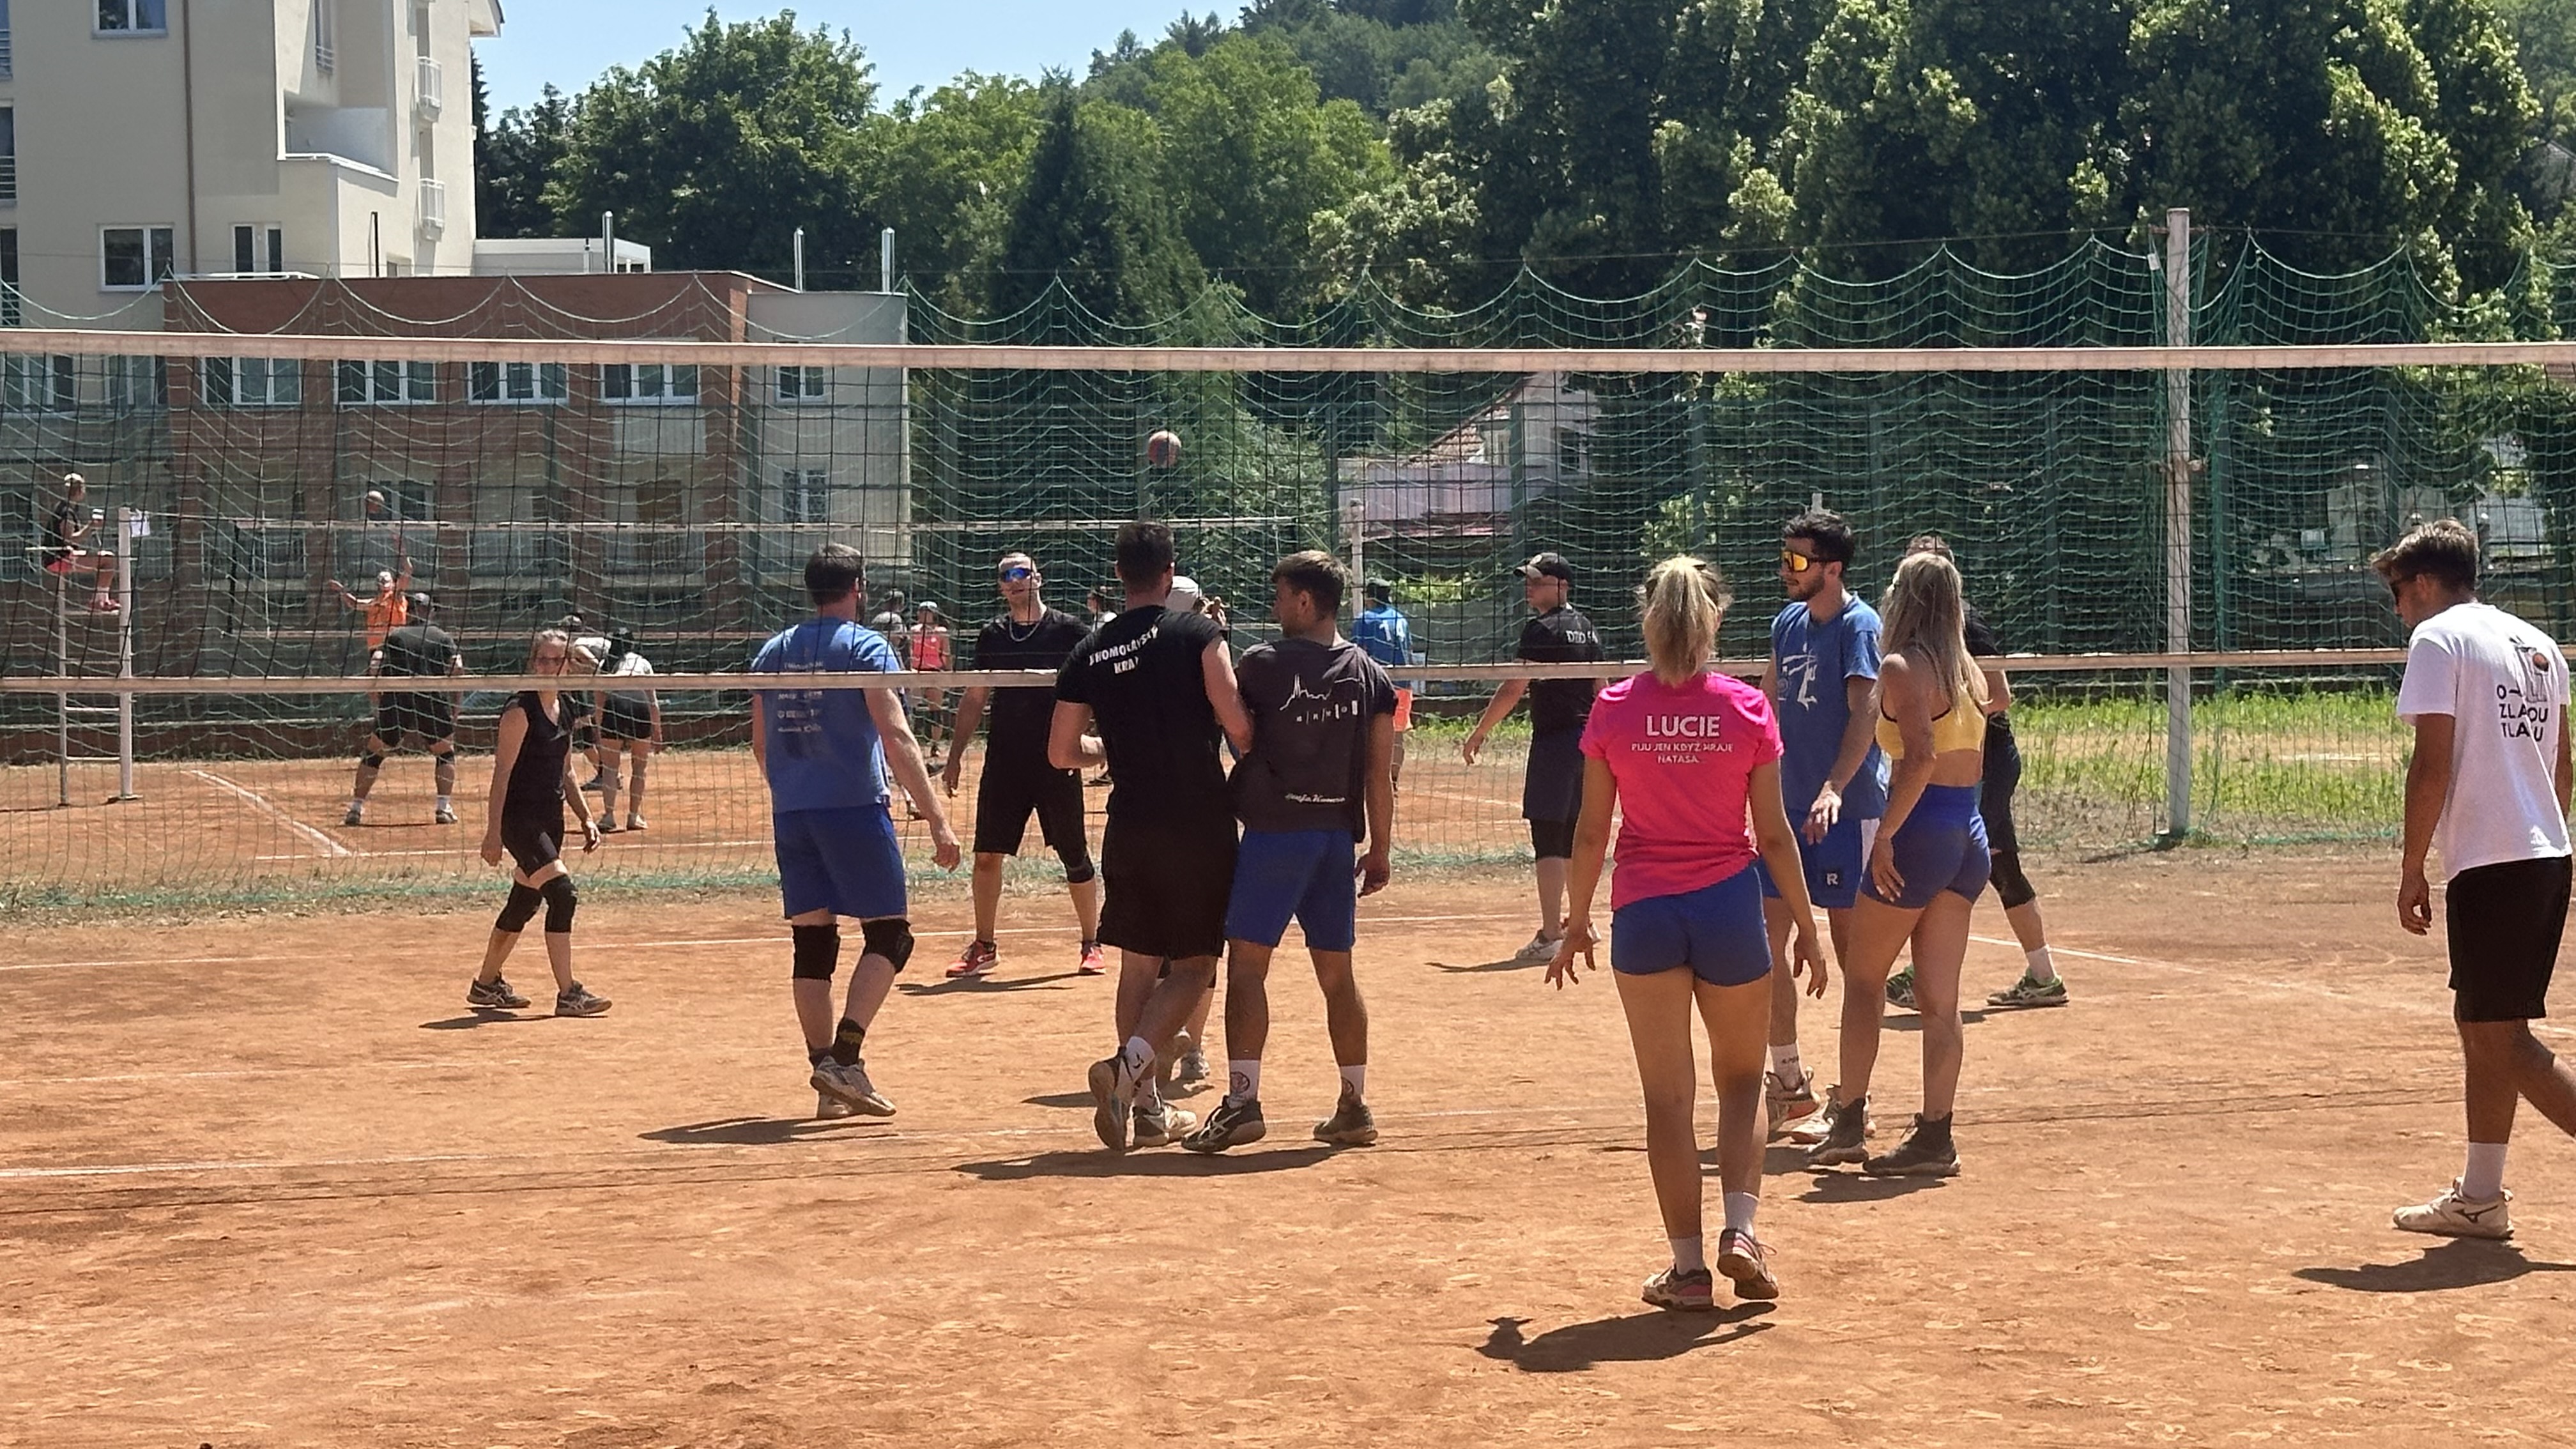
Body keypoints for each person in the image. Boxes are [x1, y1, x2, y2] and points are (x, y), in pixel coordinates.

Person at [1547, 556, 1827, 1309]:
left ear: (1648, 621)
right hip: (1729, 906)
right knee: (1741, 1083)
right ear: (1715, 621)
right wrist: (1808, 927)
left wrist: (1575, 924)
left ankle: (1688, 1271)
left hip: (1646, 912)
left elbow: (1590, 834)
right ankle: (1742, 1230)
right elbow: (1774, 836)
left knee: (1668, 1100)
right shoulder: (1746, 709)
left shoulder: (1614, 707)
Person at [2382, 519, 2576, 1239]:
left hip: (2496, 862)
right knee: (2486, 1027)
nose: (2398, 608)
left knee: (2501, 1040)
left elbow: (2431, 763)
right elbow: (2562, 766)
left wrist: (2412, 867)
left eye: (2399, 592)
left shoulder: (2439, 640)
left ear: (2426, 582)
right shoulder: (2536, 642)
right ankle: (2481, 1198)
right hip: (2544, 854)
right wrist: (2542, 835)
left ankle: (2482, 1197)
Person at [1183, 551, 1397, 1154]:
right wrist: (1380, 849)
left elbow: (1232, 721)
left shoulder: (1264, 663)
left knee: (1248, 968)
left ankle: (1242, 1103)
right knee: (1338, 976)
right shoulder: (1371, 674)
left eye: (1281, 597)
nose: (1276, 608)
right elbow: (1379, 774)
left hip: (1277, 835)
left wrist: (1211, 639)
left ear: (1306, 602)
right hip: (1334, 840)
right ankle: (1354, 1105)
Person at [1055, 519, 1254, 1152]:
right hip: (1197, 821)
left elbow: (1061, 752)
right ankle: (1126, 1070)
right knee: (1195, 966)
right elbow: (1238, 725)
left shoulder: (1090, 649)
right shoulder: (1199, 634)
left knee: (1138, 966)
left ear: (1119, 575)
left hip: (1130, 823)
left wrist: (1109, 750)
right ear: (1170, 574)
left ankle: (1146, 1111)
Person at [751, 545, 962, 1121]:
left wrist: (793, 790)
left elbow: (761, 744)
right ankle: (845, 1060)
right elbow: (896, 735)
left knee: (813, 943)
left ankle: (827, 1082)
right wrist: (937, 819)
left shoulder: (773, 651)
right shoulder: (866, 647)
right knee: (891, 936)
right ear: (858, 588)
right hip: (852, 808)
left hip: (793, 812)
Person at [1805, 552, 1992, 1178]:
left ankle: (1849, 1120)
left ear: (1903, 598)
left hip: (1919, 831)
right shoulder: (1967, 669)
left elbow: (1919, 757)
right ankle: (1936, 1136)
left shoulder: (1902, 666)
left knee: (1864, 980)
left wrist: (1886, 835)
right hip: (1967, 832)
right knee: (1940, 1001)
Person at [1887, 535, 2066, 1011]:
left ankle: (1923, 975)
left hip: (1986, 759)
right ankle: (2044, 976)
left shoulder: (1964, 624)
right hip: (1966, 761)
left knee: (1953, 861)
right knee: (1999, 865)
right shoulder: (1915, 636)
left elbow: (1999, 695)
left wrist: (1945, 716)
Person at [1758, 509, 1888, 1143]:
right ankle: (1789, 1085)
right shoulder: (1787, 622)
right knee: (1766, 943)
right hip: (1786, 809)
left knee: (1853, 957)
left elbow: (1866, 713)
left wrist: (1833, 788)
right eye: (1785, 557)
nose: (1787, 569)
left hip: (1846, 808)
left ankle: (1853, 1100)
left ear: (1832, 569)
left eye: (1798, 560)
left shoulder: (1859, 626)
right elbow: (1764, 705)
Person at [940, 553, 1105, 979]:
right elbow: (975, 698)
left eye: (1021, 573)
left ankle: (1091, 942)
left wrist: (1103, 742)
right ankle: (984, 945)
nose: (1014, 580)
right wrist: (955, 757)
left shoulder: (1070, 631)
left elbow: (1099, 690)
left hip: (1057, 757)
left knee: (1074, 855)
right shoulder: (993, 635)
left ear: (1038, 578)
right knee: (986, 856)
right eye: (1005, 575)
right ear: (1000, 586)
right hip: (1005, 761)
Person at [1461, 552, 1604, 963]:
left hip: (1556, 743)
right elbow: (1601, 688)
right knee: (1573, 835)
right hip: (1587, 741)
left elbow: (1514, 687)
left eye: (1538, 581)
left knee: (1548, 837)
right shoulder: (1588, 628)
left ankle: (1551, 935)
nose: (1530, 587)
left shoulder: (1541, 629)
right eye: (1529, 580)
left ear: (1562, 585)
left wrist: (1480, 731)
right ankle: (1582, 922)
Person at [466, 629, 612, 1018]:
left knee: (524, 901)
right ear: (534, 662)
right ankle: (569, 993)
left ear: (567, 665)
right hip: (520, 820)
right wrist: (493, 833)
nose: (548, 667)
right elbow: (501, 773)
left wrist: (586, 817)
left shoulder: (566, 706)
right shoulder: (520, 710)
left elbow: (566, 771)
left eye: (556, 660)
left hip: (551, 818)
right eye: (542, 659)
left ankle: (486, 984)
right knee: (563, 895)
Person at [346, 593, 464, 827]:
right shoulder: (442, 637)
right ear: (429, 611)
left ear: (409, 612)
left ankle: (356, 809)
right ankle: (443, 808)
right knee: (445, 753)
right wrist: (456, 706)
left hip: (397, 700)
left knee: (374, 754)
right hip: (431, 700)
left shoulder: (395, 635)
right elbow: (457, 668)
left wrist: (377, 701)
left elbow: (375, 665)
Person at [1351, 578, 1419, 792]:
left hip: (1376, 683)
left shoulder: (1365, 619)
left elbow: (1357, 653)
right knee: (1397, 734)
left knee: (1369, 732)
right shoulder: (1401, 619)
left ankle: (1373, 781)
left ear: (1370, 597)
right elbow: (1408, 649)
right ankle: (1394, 781)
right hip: (1403, 682)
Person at [593, 627, 660, 834]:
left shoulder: (605, 665)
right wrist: (657, 732)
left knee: (610, 768)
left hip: (614, 704)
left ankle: (609, 816)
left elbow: (599, 702)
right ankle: (634, 816)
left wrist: (600, 728)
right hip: (639, 703)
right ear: (632, 644)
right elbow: (653, 702)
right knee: (639, 767)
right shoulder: (642, 662)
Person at [43, 473, 119, 613]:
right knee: (108, 560)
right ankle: (99, 601)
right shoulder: (66, 512)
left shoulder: (64, 507)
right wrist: (90, 526)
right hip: (60, 558)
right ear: (80, 491)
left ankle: (101, 599)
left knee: (104, 558)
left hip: (61, 556)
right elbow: (69, 539)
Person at [335, 558, 415, 653]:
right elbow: (354, 603)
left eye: (387, 580)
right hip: (376, 646)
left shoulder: (397, 597)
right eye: (382, 581)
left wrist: (403, 555)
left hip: (395, 644)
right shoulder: (374, 602)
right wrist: (342, 591)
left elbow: (408, 570)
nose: (384, 583)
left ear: (393, 583)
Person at [912, 601, 953, 762]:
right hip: (917, 673)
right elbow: (910, 651)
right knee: (911, 708)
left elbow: (946, 653)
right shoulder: (914, 631)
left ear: (934, 614)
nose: (923, 614)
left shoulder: (941, 632)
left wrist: (949, 673)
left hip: (935, 673)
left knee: (935, 711)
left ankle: (935, 745)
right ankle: (912, 743)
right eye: (921, 611)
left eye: (927, 611)